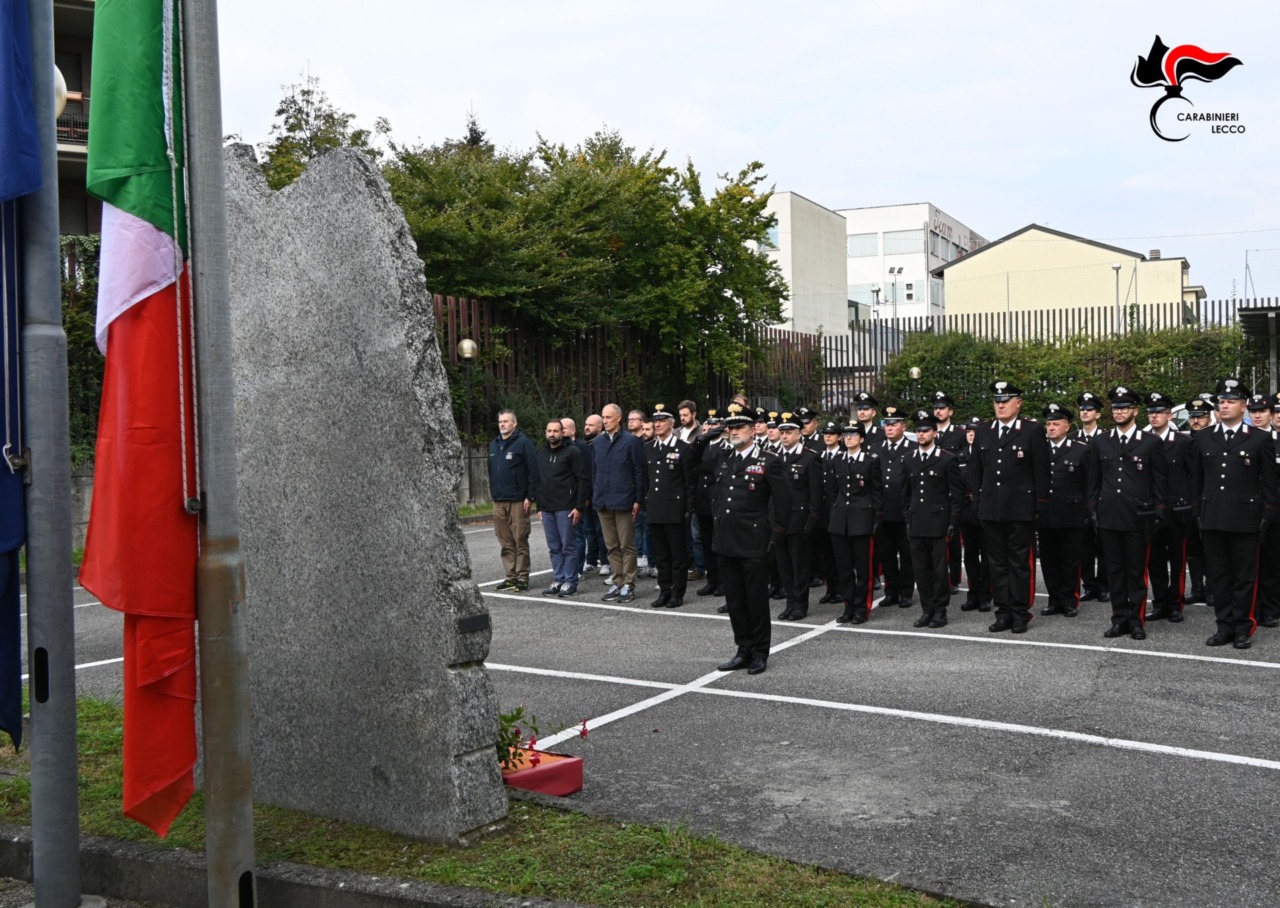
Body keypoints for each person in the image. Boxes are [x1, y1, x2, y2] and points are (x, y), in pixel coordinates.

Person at [1190, 378, 1278, 649]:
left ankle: (1243, 626)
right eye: (1221, 402)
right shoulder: (1204, 437)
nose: (1224, 405)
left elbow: (1270, 483)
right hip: (1213, 516)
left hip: (1246, 518)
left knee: (1244, 577)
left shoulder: (1260, 438)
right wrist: (1197, 513)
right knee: (1219, 576)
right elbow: (1196, 479)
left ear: (1244, 406)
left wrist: (1267, 515)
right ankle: (1224, 626)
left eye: (1230, 401)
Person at [712, 402, 788, 676]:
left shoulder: (769, 460)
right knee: (735, 600)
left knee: (755, 600)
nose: (734, 432)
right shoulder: (723, 457)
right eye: (730, 427)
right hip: (726, 539)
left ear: (753, 430)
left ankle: (759, 652)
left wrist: (774, 537)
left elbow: (783, 503)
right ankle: (742, 649)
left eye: (740, 427)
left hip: (754, 539)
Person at [1086, 385, 1167, 641]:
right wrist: (1093, 511)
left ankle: (1137, 620)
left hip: (1138, 518)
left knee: (1136, 572)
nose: (1118, 411)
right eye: (1115, 407)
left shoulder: (1151, 442)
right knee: (1114, 571)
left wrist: (1158, 512)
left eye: (1124, 407)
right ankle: (1119, 618)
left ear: (1135, 410)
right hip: (1109, 516)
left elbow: (1159, 483)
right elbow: (1094, 481)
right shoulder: (1101, 441)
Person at [969, 381, 1050, 634]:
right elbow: (975, 471)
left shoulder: (1032, 430)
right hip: (991, 508)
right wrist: (977, 503)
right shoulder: (984, 431)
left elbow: (1042, 470)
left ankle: (1020, 612)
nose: (1001, 405)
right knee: (997, 564)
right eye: (997, 401)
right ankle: (1002, 611)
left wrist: (1040, 504)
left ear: (1019, 403)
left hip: (1020, 508)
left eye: (1006, 400)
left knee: (1018, 563)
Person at [903, 411, 964, 628]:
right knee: (921, 571)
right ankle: (927, 610)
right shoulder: (909, 459)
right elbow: (906, 495)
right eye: (918, 430)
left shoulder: (947, 459)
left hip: (938, 523)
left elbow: (957, 496)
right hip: (917, 522)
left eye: (925, 430)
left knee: (939, 571)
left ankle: (940, 610)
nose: (921, 434)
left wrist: (952, 523)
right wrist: (908, 519)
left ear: (935, 433)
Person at [1037, 404, 1090, 618]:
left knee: (1070, 559)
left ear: (1067, 426)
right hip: (1046, 513)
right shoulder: (1040, 448)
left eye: (1056, 424)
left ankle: (1069, 599)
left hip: (1071, 513)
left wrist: (1087, 511)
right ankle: (1054, 599)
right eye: (1048, 424)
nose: (1051, 428)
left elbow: (1088, 483)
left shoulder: (1080, 449)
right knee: (1049, 560)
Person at [826, 423, 882, 624]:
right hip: (840, 519)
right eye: (846, 434)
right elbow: (833, 491)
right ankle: (848, 605)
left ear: (862, 438)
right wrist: (835, 511)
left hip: (862, 519)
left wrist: (876, 519)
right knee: (844, 568)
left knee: (863, 569)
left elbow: (877, 492)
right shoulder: (837, 460)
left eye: (853, 434)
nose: (849, 438)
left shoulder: (870, 461)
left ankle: (862, 608)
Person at [1144, 392, 1192, 623]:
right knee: (1155, 561)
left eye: (1159, 412)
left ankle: (1176, 604)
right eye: (1151, 413)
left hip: (1176, 511)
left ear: (1169, 415)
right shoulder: (1142, 440)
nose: (1154, 416)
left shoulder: (1183, 442)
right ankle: (1160, 603)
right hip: (1151, 511)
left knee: (1177, 560)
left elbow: (1192, 476)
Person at [643, 404, 696, 608]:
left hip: (675, 509)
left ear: (671, 424)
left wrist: (689, 508)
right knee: (661, 555)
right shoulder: (648, 448)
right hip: (655, 508)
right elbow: (646, 480)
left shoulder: (683, 448)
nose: (657, 425)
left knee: (677, 555)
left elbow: (689, 482)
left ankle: (677, 592)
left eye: (662, 421)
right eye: (655, 421)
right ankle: (664, 590)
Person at [594, 403, 645, 604]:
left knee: (626, 545)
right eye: (603, 417)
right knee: (611, 546)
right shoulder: (598, 442)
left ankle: (629, 584)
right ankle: (618, 580)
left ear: (618, 418)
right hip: (603, 501)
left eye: (608, 417)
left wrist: (638, 499)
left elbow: (639, 472)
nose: (605, 421)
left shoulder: (631, 441)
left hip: (624, 500)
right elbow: (594, 471)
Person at [774, 411, 823, 620]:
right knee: (783, 565)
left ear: (798, 433)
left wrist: (812, 519)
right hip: (777, 519)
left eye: (789, 432)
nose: (784, 436)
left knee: (799, 565)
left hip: (799, 519)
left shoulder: (810, 457)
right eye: (782, 432)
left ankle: (800, 605)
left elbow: (816, 493)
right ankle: (790, 603)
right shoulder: (773, 457)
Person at [537, 420, 590, 597]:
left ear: (562, 433)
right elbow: (540, 481)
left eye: (556, 431)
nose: (552, 434)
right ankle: (559, 579)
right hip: (547, 508)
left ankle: (571, 581)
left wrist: (579, 506)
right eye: (549, 431)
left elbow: (582, 479)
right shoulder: (542, 453)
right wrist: (539, 506)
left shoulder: (573, 452)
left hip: (566, 507)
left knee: (569, 546)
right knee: (554, 547)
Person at [489, 409, 539, 592]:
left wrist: (530, 496)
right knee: (505, 541)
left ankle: (522, 577)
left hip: (518, 500)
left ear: (514, 424)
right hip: (499, 500)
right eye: (500, 421)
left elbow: (534, 472)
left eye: (506, 421)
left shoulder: (523, 444)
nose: (502, 424)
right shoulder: (493, 445)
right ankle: (510, 577)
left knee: (520, 539)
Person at [875, 405, 916, 609]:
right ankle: (891, 591)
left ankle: (906, 591)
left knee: (907, 554)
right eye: (886, 424)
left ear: (903, 426)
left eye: (894, 424)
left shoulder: (912, 449)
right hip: (883, 510)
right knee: (887, 553)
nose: (889, 428)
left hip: (904, 511)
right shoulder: (877, 449)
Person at [1072, 391, 1110, 605]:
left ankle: (1104, 586)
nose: (1084, 413)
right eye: (1082, 409)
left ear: (1098, 414)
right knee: (1083, 547)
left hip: (1103, 498)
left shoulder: (1107, 438)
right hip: (1079, 499)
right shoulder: (1072, 439)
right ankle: (1089, 585)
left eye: (1089, 410)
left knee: (1104, 546)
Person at [932, 392, 967, 594]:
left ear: (950, 411)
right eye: (936, 408)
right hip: (934, 491)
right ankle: (938, 575)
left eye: (942, 408)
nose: (938, 411)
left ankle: (953, 579)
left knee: (953, 540)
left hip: (953, 491)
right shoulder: (929, 431)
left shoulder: (960, 434)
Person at [1182, 397, 1215, 605]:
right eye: (1193, 417)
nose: (1196, 421)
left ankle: (1212, 587)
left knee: (1211, 548)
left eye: (1200, 417)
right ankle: (1197, 587)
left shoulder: (1213, 440)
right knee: (1192, 548)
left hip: (1209, 501)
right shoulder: (1183, 442)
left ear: (1209, 418)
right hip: (1187, 502)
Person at [957, 417, 992, 612]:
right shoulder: (959, 456)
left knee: (987, 555)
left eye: (975, 431)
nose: (971, 434)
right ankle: (973, 594)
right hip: (966, 510)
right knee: (970, 555)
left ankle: (986, 594)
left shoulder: (988, 455)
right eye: (969, 431)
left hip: (984, 509)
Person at [579, 414, 610, 578]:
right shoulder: (583, 446)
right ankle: (591, 560)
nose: (587, 427)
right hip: (586, 495)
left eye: (591, 425)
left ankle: (605, 561)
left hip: (599, 494)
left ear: (600, 427)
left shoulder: (604, 445)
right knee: (588, 529)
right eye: (586, 424)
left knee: (601, 530)